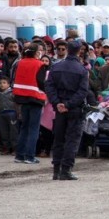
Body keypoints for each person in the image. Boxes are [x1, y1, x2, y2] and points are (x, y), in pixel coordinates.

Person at [44, 40, 89, 180]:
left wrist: (57, 103)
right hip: (74, 108)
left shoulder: (56, 67)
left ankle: (56, 169)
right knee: (72, 139)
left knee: (59, 138)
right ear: (79, 51)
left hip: (60, 107)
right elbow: (82, 92)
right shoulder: (82, 69)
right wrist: (68, 105)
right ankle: (66, 169)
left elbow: (49, 87)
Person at [13, 43, 48, 164]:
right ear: (36, 52)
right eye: (40, 50)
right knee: (33, 128)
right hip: (35, 98)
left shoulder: (20, 62)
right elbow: (42, 83)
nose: (42, 52)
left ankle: (20, 155)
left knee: (24, 127)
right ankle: (29, 156)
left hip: (21, 98)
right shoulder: (40, 64)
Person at [0, 77, 18, 155]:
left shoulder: (13, 93)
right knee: (4, 132)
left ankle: (15, 148)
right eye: (0, 83)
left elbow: (17, 104)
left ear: (8, 84)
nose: (2, 85)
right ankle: (6, 148)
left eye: (4, 83)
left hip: (12, 114)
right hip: (2, 114)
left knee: (13, 131)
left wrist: (18, 113)